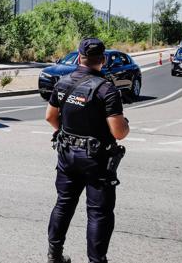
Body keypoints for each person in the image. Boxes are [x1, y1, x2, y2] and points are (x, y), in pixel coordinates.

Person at [45, 38, 130, 263]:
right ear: (102, 60)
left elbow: (50, 117)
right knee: (98, 214)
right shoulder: (106, 89)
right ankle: (96, 260)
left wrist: (67, 133)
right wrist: (126, 124)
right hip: (95, 160)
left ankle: (54, 255)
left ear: (79, 57)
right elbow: (119, 132)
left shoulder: (62, 83)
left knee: (63, 204)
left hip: (66, 154)